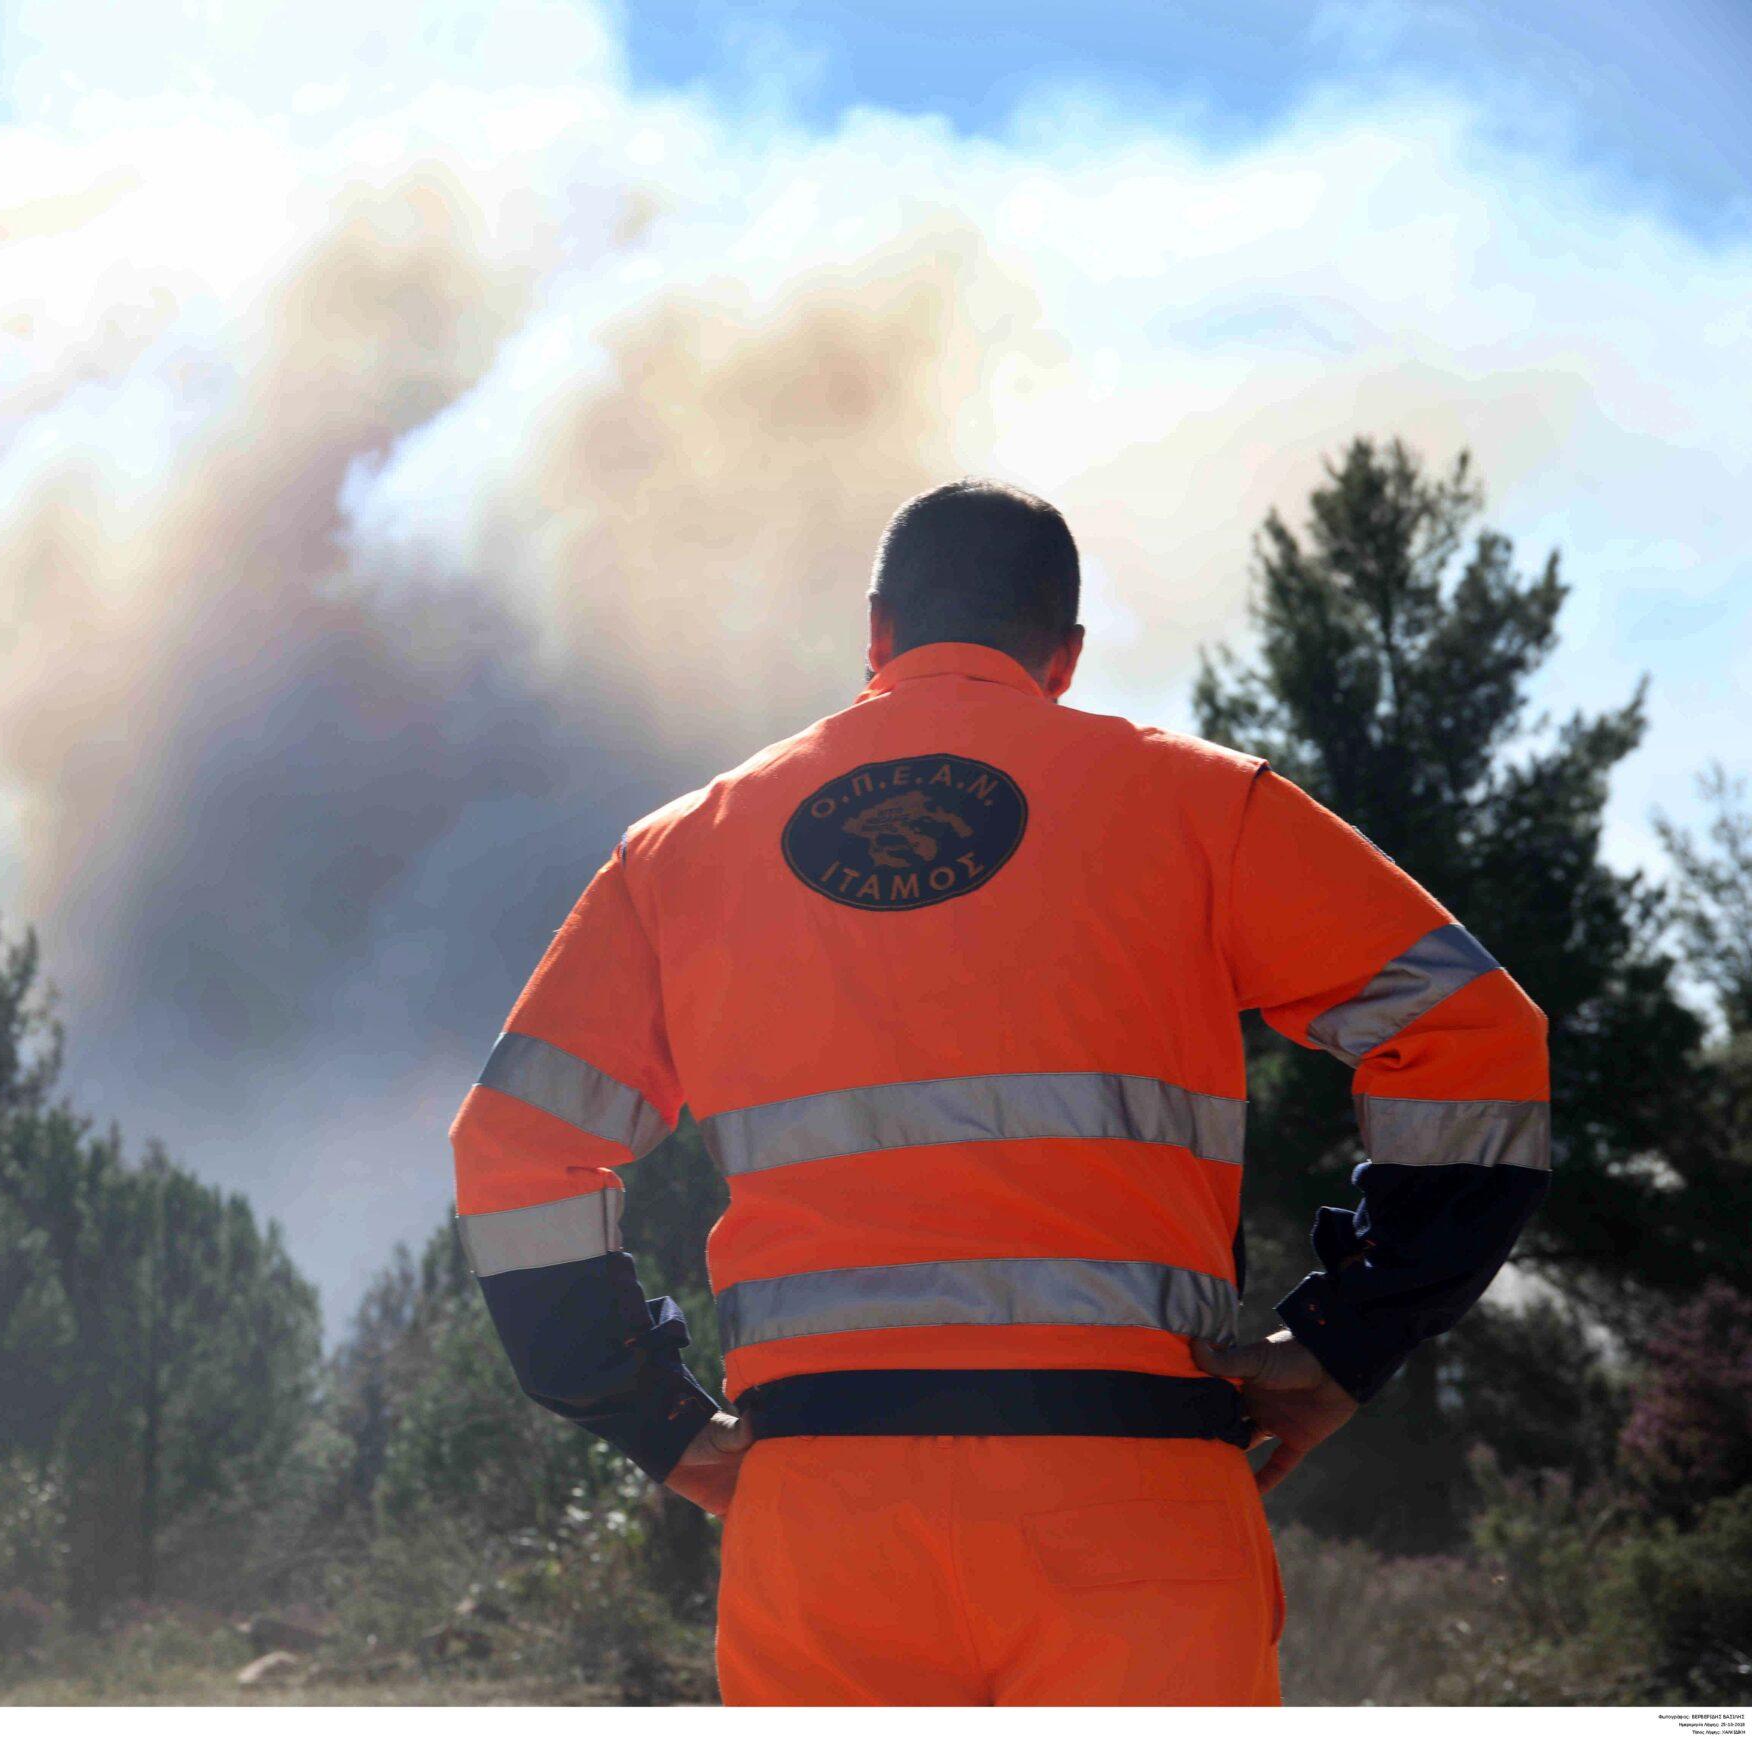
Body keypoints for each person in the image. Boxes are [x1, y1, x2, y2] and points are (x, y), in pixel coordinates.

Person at [448, 479, 1550, 1705]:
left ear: (876, 631)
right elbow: (1478, 1039)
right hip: (1137, 1499)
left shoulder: (681, 850)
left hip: (822, 1511)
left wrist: (658, 1423)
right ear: (1064, 655)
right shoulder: (1201, 804)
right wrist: (1346, 1339)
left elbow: (511, 1156)